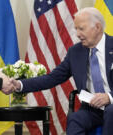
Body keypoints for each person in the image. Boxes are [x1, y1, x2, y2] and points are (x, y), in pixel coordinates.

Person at [12, 7, 113, 135]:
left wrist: (109, 97)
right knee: (75, 119)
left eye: (81, 28)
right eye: (76, 29)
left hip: (112, 106)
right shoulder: (75, 52)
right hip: (92, 109)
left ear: (97, 27)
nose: (77, 34)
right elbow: (51, 78)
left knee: (111, 111)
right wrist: (20, 84)